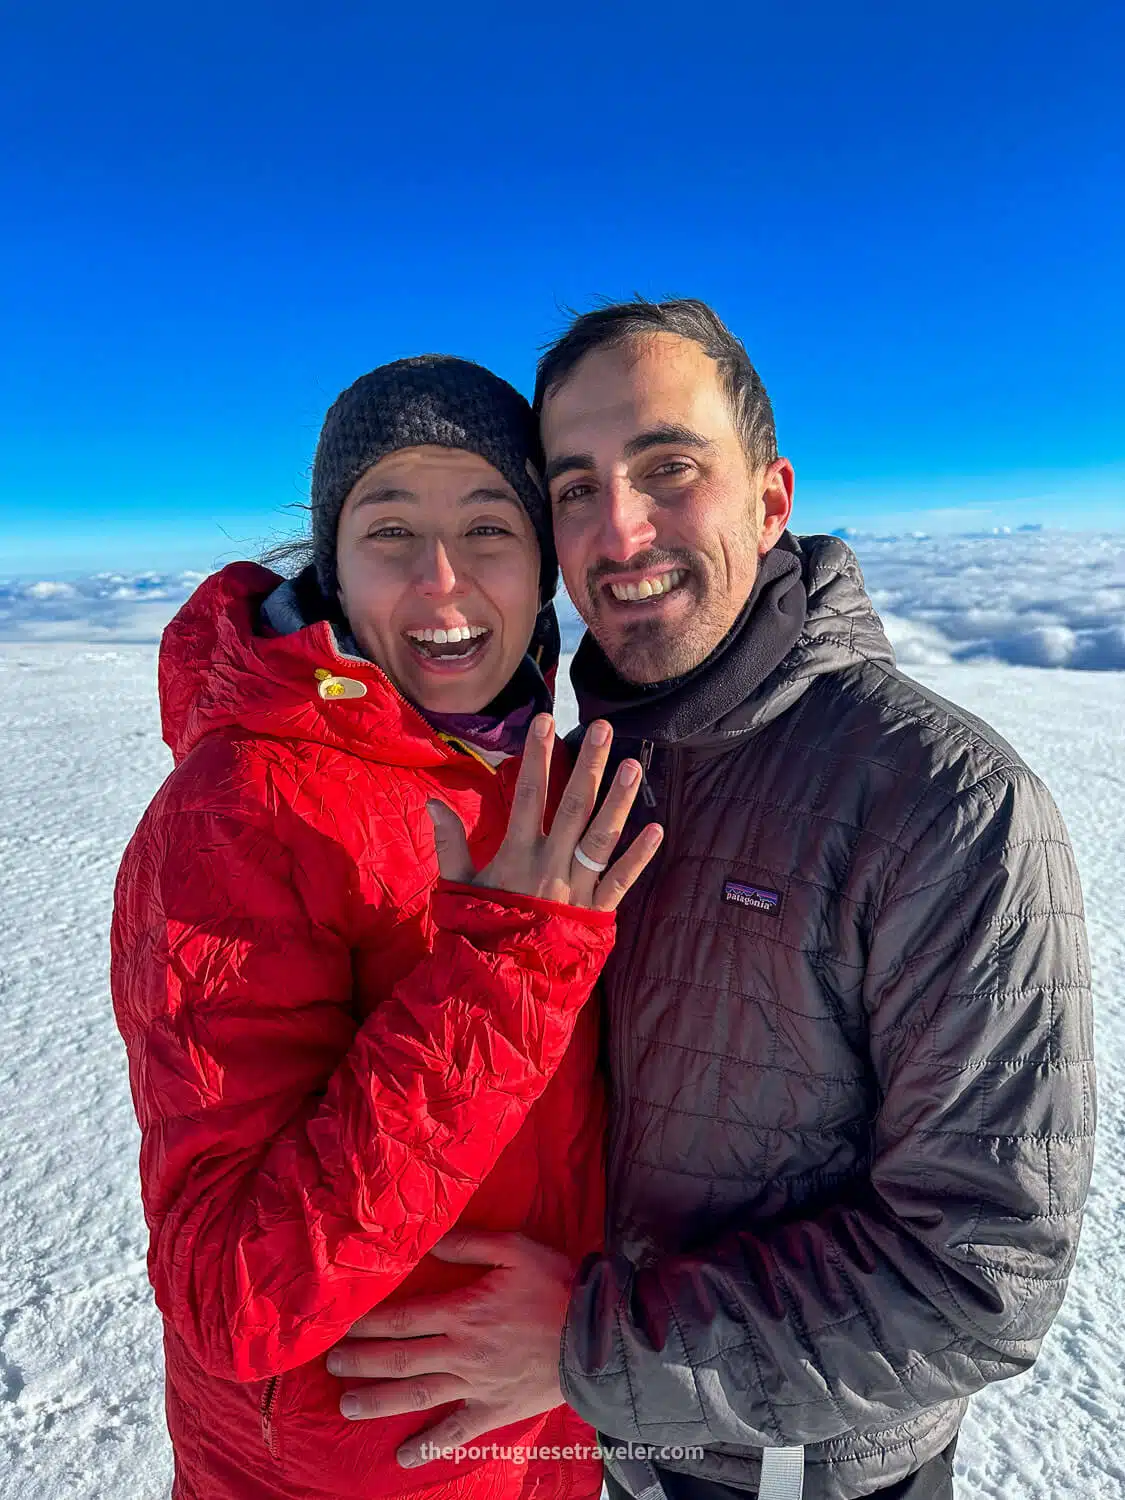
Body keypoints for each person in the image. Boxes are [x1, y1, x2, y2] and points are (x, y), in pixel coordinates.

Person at [331, 304, 1096, 1500]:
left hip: (798, 1478)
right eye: (574, 488)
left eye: (669, 469)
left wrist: (589, 1346)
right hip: (597, 1451)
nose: (619, 528)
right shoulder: (583, 774)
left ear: (772, 499)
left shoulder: (942, 804)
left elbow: (979, 1277)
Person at [109, 355, 662, 1500]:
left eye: (489, 528)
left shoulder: (525, 780)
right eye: (392, 530)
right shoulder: (241, 813)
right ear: (332, 563)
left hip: (538, 1454)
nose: (445, 587)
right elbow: (235, 1297)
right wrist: (506, 972)